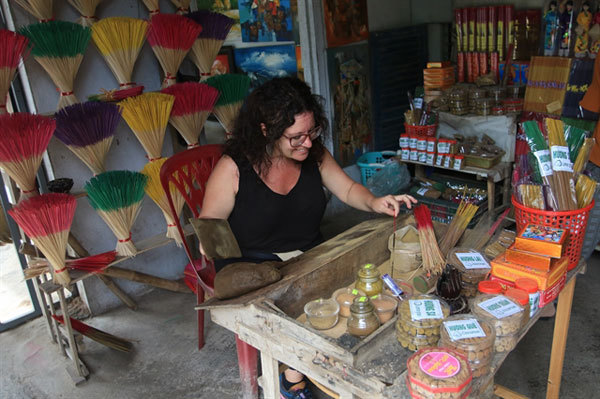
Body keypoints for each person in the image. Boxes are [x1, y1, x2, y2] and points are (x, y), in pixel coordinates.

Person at [199, 77, 416, 398]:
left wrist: (374, 202)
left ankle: (314, 365)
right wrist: (209, 241)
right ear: (265, 131)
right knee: (291, 304)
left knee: (355, 286)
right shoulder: (234, 169)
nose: (307, 143)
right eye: (296, 137)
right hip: (253, 265)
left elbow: (347, 188)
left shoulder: (314, 155)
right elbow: (212, 221)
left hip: (307, 254)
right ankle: (294, 376)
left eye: (312, 132)